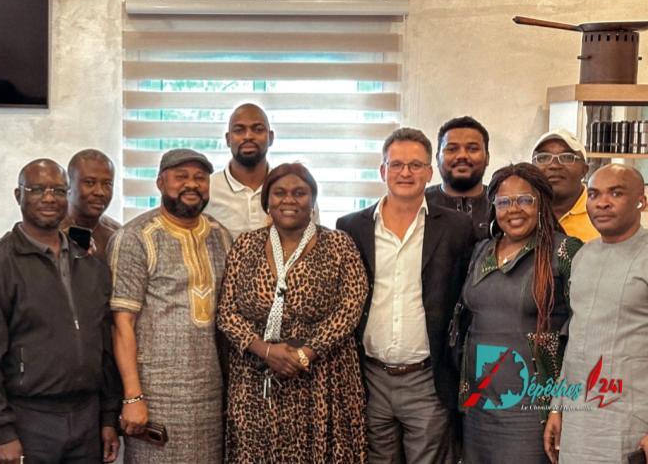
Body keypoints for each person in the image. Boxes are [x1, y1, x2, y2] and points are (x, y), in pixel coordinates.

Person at [0, 158, 121, 464]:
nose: (49, 198)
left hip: (87, 418)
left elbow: (104, 347)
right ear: (18, 195)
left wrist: (108, 417)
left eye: (58, 190)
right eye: (37, 189)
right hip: (28, 419)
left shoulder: (90, 266)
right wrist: (2, 431)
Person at [336, 127, 475, 464]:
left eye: (415, 165)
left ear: (429, 172)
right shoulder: (351, 227)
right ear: (382, 170)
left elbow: (465, 299)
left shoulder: (457, 227)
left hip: (428, 378)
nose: (405, 173)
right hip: (369, 378)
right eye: (396, 164)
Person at [217, 162, 369, 463]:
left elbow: (351, 307)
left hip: (323, 378)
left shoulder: (339, 244)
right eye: (280, 193)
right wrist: (266, 351)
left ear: (312, 200)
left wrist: (303, 355)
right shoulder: (245, 245)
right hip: (255, 381)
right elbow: (226, 312)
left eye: (299, 193)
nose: (289, 200)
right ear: (267, 201)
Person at [452, 163, 582, 463]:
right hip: (478, 403)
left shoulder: (564, 251)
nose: (514, 209)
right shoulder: (482, 250)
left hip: (533, 407)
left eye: (524, 200)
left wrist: (561, 406)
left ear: (541, 204)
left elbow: (582, 331)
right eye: (504, 202)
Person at [109, 148, 232, 464]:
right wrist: (133, 396)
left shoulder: (221, 236)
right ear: (161, 182)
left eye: (200, 178)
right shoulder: (136, 237)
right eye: (181, 177)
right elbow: (122, 323)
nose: (192, 184)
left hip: (209, 394)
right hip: (155, 395)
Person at [544, 164, 648, 463]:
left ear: (641, 202)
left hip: (632, 419)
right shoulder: (583, 256)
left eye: (616, 193)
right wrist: (557, 406)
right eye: (593, 194)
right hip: (578, 420)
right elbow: (577, 339)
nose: (602, 203)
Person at [203, 103, 274, 238]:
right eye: (239, 130)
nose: (248, 136)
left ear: (270, 138)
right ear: (228, 139)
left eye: (258, 129)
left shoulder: (291, 190)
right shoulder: (207, 188)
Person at [425, 116, 491, 239]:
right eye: (452, 149)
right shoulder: (420, 204)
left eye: (472, 149)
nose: (462, 156)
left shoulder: (501, 204)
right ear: (437, 158)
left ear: (487, 158)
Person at [531, 129, 599, 242]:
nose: (554, 165)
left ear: (584, 170)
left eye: (567, 157)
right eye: (543, 157)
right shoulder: (520, 211)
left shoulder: (602, 212)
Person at [61, 149, 121, 261]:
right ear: (68, 185)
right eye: (89, 182)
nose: (99, 192)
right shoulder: (48, 230)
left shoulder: (117, 236)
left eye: (107, 184)